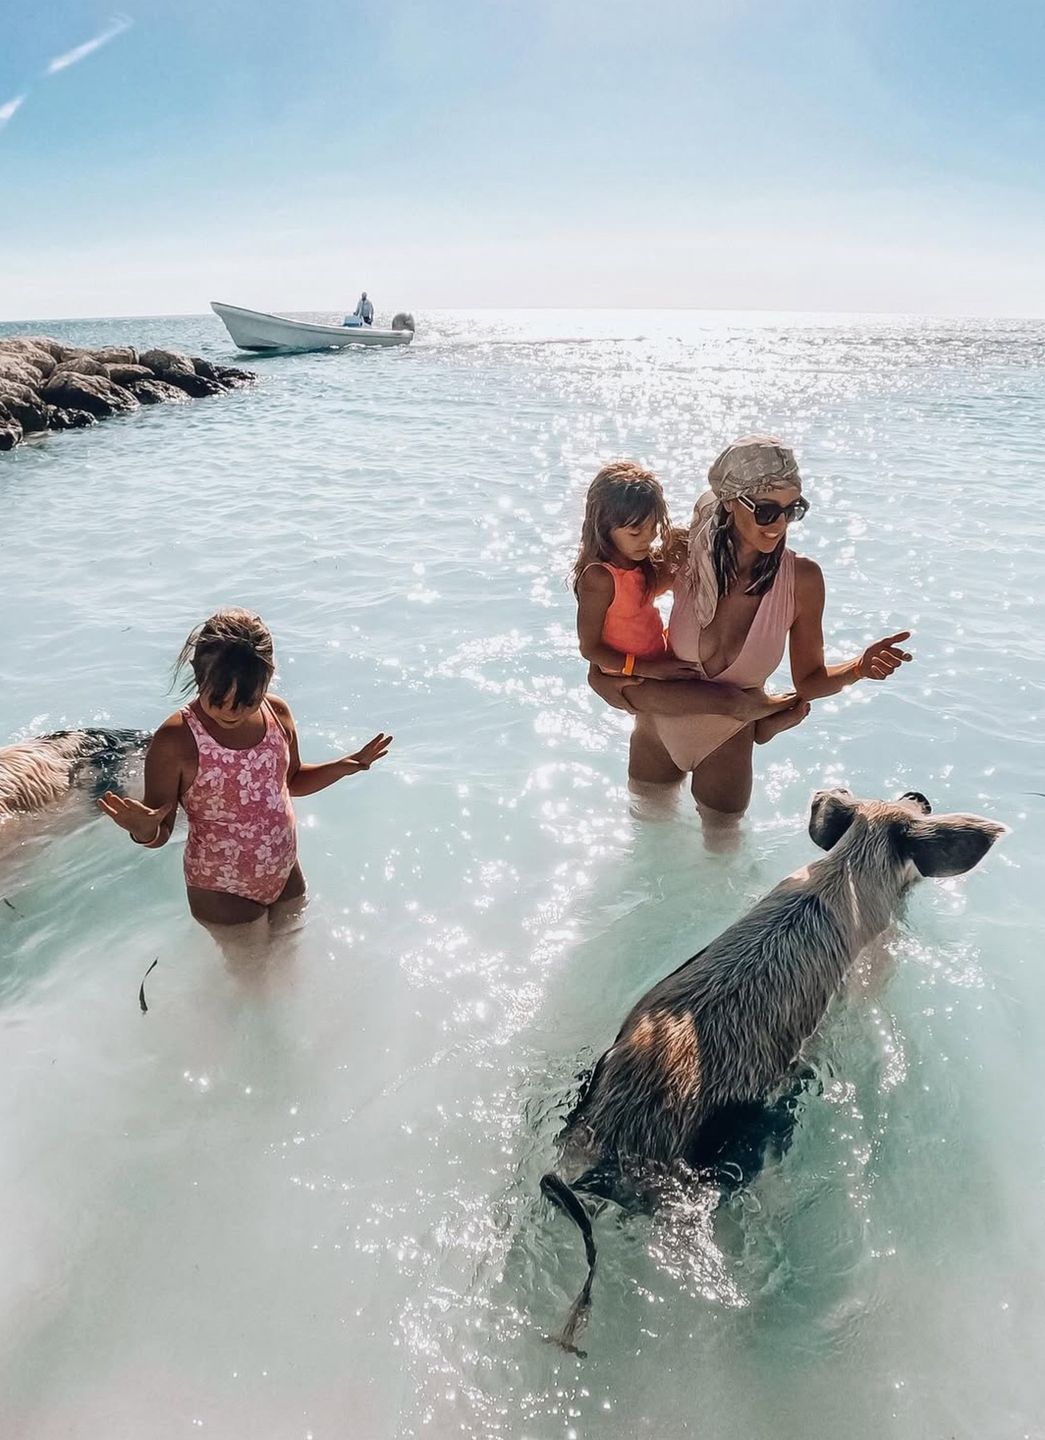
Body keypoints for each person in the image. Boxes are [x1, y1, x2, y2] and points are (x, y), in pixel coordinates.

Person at [589, 437, 913, 835]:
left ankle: (762, 720)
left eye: (793, 509)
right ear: (731, 502)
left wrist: (858, 669)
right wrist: (604, 677)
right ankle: (764, 718)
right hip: (655, 736)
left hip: (725, 746)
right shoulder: (685, 553)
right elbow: (622, 616)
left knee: (721, 872)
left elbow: (809, 681)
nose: (779, 524)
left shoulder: (802, 580)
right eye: (766, 511)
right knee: (644, 855)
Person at [97, 608, 392, 928]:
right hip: (221, 891)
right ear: (198, 673)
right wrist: (143, 829)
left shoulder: (277, 714)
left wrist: (343, 767)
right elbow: (161, 831)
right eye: (218, 699)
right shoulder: (176, 740)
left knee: (290, 963)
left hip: (285, 874)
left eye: (247, 701)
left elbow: (291, 781)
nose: (231, 711)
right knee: (251, 975)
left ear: (269, 677)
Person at [574, 460, 800, 731]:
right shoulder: (598, 578)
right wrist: (646, 670)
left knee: (717, 689)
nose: (647, 540)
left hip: (658, 660)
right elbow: (590, 648)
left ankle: (761, 729)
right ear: (603, 526)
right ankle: (783, 707)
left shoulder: (634, 564)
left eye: (653, 529)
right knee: (728, 700)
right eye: (636, 532)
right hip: (637, 678)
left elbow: (639, 601)